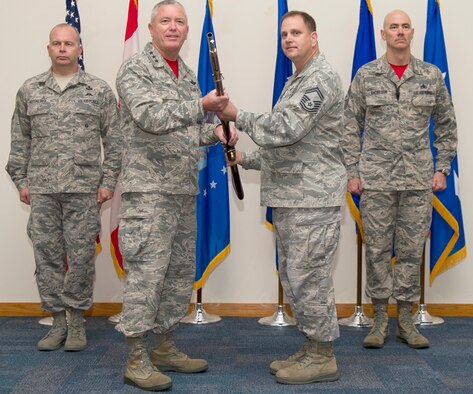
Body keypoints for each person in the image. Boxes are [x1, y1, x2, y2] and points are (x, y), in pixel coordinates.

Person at [218, 11, 346, 385]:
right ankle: (312, 345)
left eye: (296, 32)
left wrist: (237, 115)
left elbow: (286, 128)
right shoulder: (296, 80)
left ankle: (323, 356)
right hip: (295, 197)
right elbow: (291, 148)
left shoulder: (319, 79)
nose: (289, 39)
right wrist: (245, 158)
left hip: (312, 199)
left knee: (310, 277)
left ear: (314, 37)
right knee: (297, 277)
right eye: (284, 34)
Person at [114, 1, 235, 391]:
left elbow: (186, 128)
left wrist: (214, 133)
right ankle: (136, 356)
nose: (173, 27)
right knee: (147, 276)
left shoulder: (185, 73)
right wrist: (201, 106)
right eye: (165, 21)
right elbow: (151, 118)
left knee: (178, 275)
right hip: (148, 193)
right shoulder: (136, 69)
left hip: (183, 190)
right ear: (150, 28)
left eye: (179, 22)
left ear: (186, 31)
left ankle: (164, 346)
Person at [341, 10, 457, 349]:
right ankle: (378, 320)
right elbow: (350, 125)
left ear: (413, 32)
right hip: (376, 180)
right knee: (376, 250)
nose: (400, 32)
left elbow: (447, 125)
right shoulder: (367, 75)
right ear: (383, 34)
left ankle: (405, 320)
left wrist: (443, 167)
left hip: (419, 179)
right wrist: (352, 171)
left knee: (410, 250)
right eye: (394, 27)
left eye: (405, 26)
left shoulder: (431, 76)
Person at [6, 23, 122, 352]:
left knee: (81, 256)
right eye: (56, 43)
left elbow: (114, 142)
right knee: (47, 256)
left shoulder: (98, 90)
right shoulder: (30, 89)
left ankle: (77, 320)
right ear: (48, 49)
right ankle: (57, 319)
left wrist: (108, 181)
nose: (62, 49)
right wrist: (21, 180)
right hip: (41, 188)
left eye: (68, 44)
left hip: (84, 189)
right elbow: (20, 140)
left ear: (79, 49)